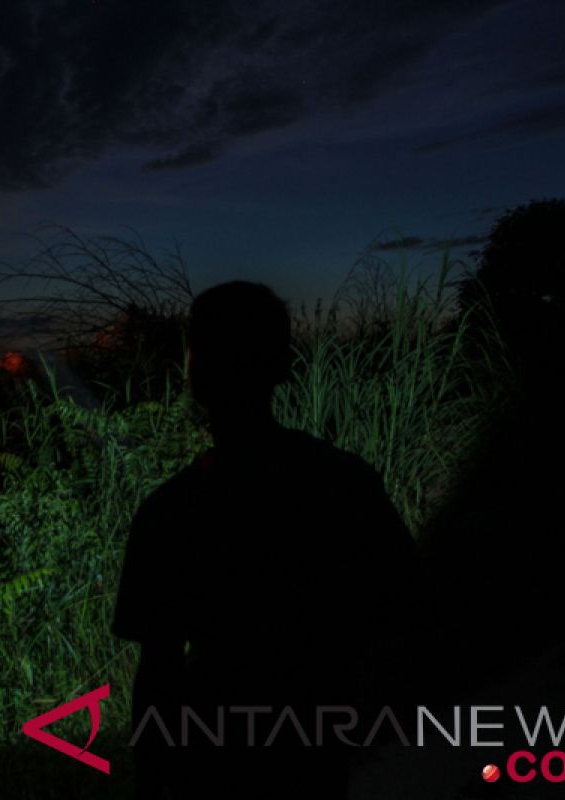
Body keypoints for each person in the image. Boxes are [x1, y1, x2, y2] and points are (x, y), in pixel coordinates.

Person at [112, 281, 418, 799]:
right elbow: (404, 614)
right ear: (282, 365)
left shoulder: (171, 512)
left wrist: (152, 781)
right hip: (315, 748)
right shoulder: (345, 483)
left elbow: (157, 674)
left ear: (194, 375)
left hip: (212, 752)